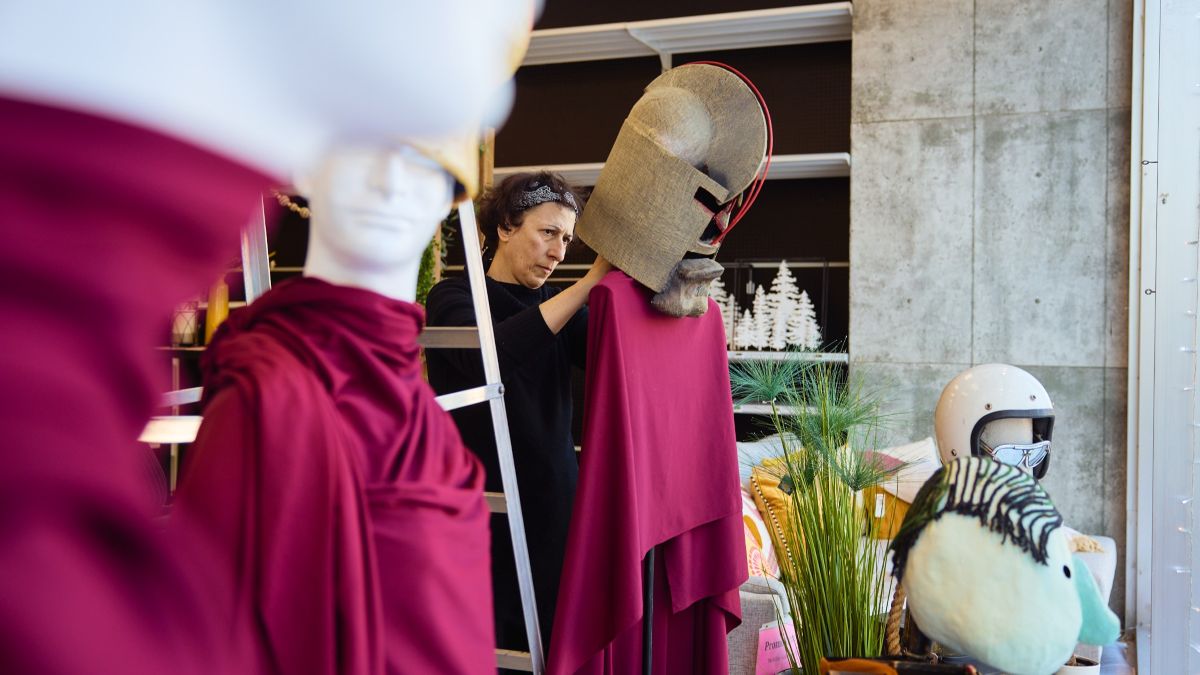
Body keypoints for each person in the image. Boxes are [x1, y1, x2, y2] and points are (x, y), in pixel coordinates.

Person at [425, 171, 611, 657]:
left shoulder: (558, 306)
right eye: (548, 232)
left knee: (553, 649)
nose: (559, 252)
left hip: (556, 516)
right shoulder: (452, 298)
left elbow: (618, 362)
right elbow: (496, 359)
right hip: (482, 518)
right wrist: (590, 283)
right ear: (506, 227)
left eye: (567, 239)